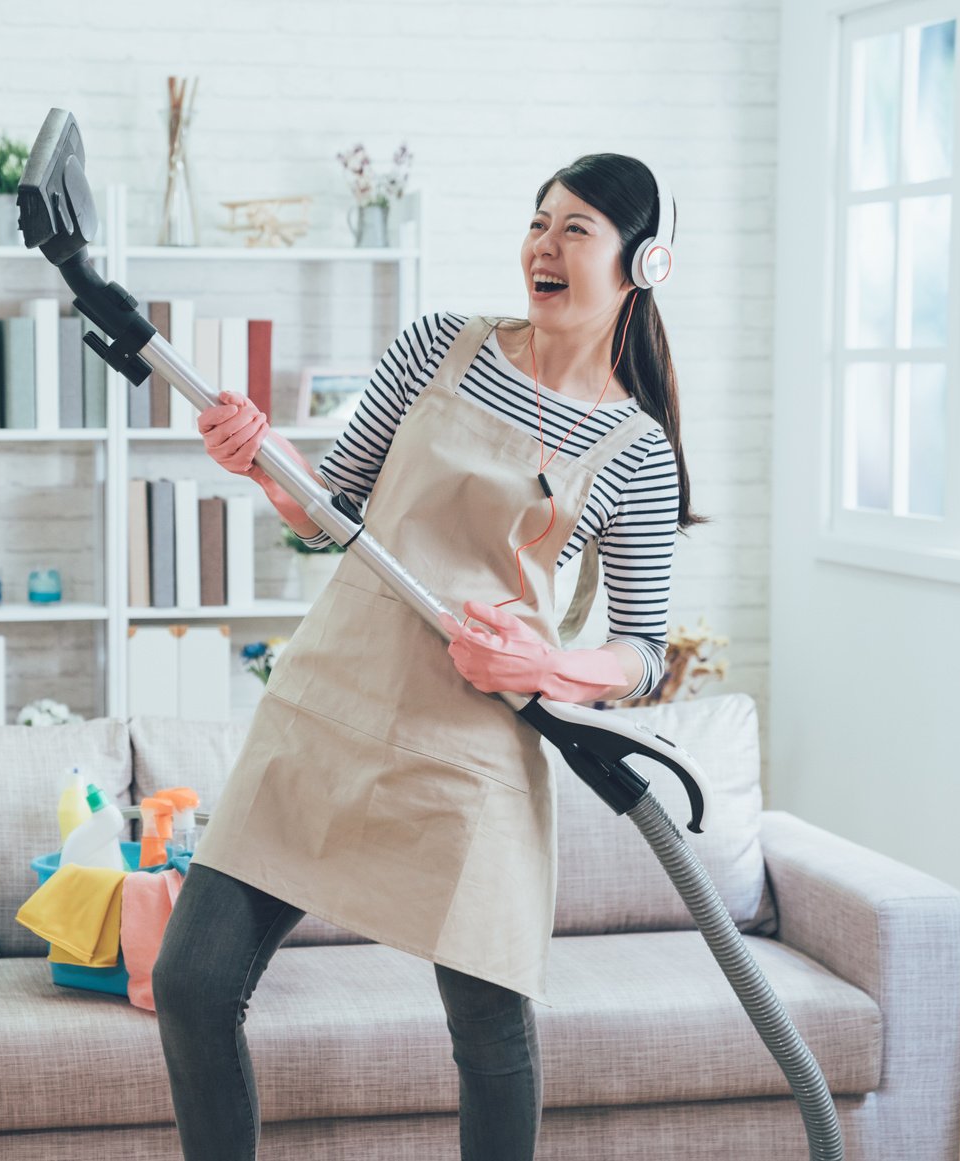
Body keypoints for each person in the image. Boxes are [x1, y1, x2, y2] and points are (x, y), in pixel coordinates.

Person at [152, 154, 708, 1161]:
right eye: (537, 221)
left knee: (489, 1032)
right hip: (328, 703)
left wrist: (547, 669)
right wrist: (259, 460)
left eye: (575, 229)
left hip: (468, 751)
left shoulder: (634, 451)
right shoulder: (436, 348)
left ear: (643, 265)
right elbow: (330, 510)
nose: (542, 245)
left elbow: (641, 655)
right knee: (190, 983)